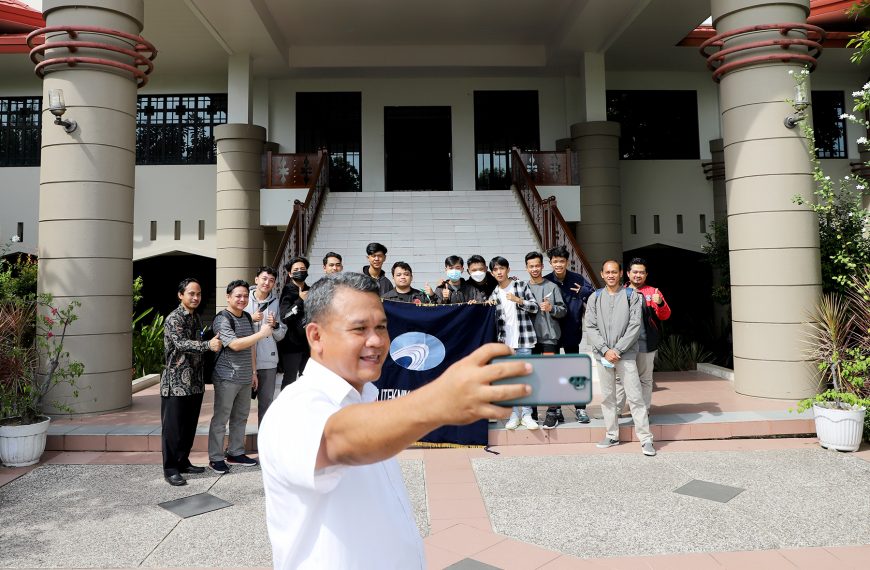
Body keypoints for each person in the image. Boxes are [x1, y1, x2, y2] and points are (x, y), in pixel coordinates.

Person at [258, 273, 531, 569]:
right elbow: (337, 440)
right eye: (359, 329)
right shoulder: (293, 406)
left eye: (382, 327)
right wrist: (438, 401)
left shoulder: (368, 397)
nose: (375, 341)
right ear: (316, 336)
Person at [584, 260, 655, 456]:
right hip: (603, 356)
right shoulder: (594, 298)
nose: (611, 275)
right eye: (607, 272)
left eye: (614, 272)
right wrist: (606, 350)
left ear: (621, 273)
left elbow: (635, 325)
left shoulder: (632, 296)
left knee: (635, 397)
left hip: (626, 355)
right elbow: (589, 326)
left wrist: (618, 350)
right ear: (602, 274)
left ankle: (646, 439)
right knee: (607, 398)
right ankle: (611, 434)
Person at [160, 278, 222, 486]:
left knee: (189, 426)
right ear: (181, 295)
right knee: (173, 429)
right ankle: (170, 469)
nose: (196, 297)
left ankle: (183, 461)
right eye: (191, 294)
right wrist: (207, 344)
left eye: (199, 294)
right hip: (176, 383)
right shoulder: (173, 318)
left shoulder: (195, 318)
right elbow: (181, 344)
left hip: (194, 382)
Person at [208, 280, 275, 473]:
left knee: (241, 417)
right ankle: (215, 457)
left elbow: (250, 347)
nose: (242, 299)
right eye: (237, 295)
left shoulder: (246, 316)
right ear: (228, 297)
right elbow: (235, 344)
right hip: (226, 376)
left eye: (245, 295)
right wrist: (262, 333)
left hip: (245, 376)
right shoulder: (222, 319)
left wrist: (254, 372)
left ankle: (235, 452)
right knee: (221, 418)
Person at [543, 245, 595, 423]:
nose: (558, 264)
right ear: (550, 263)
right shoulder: (546, 281)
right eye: (555, 261)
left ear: (567, 262)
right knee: (554, 372)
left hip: (573, 332)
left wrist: (583, 292)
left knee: (575, 370)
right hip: (552, 334)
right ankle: (556, 409)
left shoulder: (577, 278)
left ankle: (580, 409)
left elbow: (592, 296)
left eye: (561, 261)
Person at [488, 256, 539, 430]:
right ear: (492, 273)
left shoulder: (520, 286)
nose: (499, 272)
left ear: (508, 269)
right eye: (495, 269)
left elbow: (535, 307)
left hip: (524, 339)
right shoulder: (494, 293)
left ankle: (526, 415)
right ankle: (514, 415)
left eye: (502, 268)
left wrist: (519, 301)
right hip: (506, 343)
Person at [616, 257, 671, 411]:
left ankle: (643, 411)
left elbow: (665, 315)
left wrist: (659, 302)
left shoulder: (653, 292)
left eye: (641, 272)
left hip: (646, 343)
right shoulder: (620, 292)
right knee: (620, 379)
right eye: (635, 272)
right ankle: (617, 411)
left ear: (646, 275)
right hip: (623, 344)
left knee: (645, 380)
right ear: (628, 273)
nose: (638, 275)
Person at [524, 251, 567, 429]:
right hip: (530, 339)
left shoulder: (552, 287)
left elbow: (563, 310)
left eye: (537, 265)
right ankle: (532, 413)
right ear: (527, 268)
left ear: (542, 266)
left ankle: (552, 412)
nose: (534, 269)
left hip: (549, 338)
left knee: (550, 375)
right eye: (531, 266)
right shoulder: (523, 287)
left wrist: (552, 308)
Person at [244, 266, 287, 425]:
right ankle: (236, 444)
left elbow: (281, 334)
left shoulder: (276, 303)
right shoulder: (243, 298)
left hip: (268, 361)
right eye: (264, 278)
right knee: (241, 406)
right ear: (256, 279)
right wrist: (250, 318)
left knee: (266, 404)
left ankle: (264, 443)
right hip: (244, 360)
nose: (267, 283)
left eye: (271, 280)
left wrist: (275, 326)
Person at [278, 256, 310, 390]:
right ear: (290, 274)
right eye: (296, 269)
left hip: (308, 345)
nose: (300, 271)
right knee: (290, 380)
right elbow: (285, 316)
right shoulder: (287, 291)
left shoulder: (310, 289)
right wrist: (300, 301)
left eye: (303, 269)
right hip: (291, 346)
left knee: (308, 378)